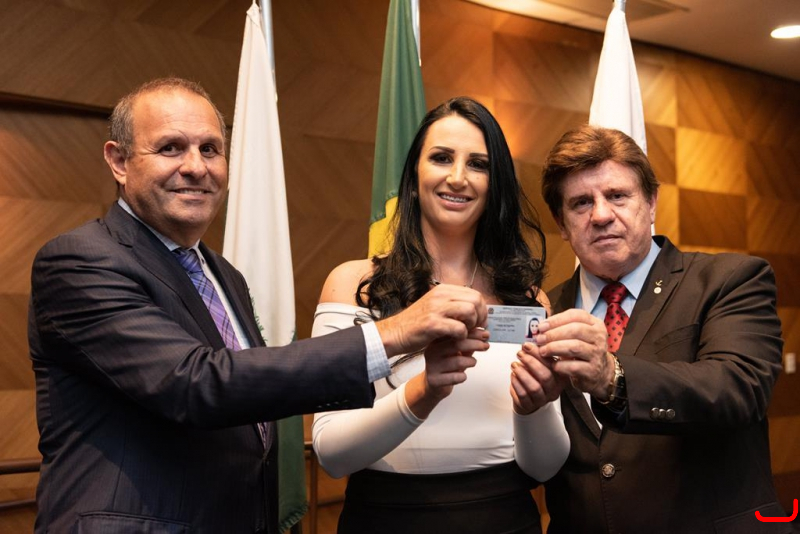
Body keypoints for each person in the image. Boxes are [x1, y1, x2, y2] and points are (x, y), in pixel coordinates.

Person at [27, 78, 489, 534]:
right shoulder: (80, 261)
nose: (196, 167)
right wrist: (393, 332)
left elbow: (253, 404)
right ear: (119, 161)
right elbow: (195, 383)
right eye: (171, 148)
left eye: (211, 149)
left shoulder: (224, 277)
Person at [311, 97, 570, 534]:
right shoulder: (354, 285)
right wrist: (424, 391)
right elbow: (331, 455)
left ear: (495, 186)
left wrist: (535, 408)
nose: (457, 177)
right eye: (442, 158)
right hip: (384, 520)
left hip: (505, 521)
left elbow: (543, 468)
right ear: (413, 178)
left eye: (478, 164)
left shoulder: (529, 301)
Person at [533, 124, 788, 533]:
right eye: (581, 203)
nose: (601, 215)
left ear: (651, 203)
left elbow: (740, 387)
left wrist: (613, 378)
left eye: (618, 195)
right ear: (561, 224)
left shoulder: (730, 279)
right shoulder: (542, 310)